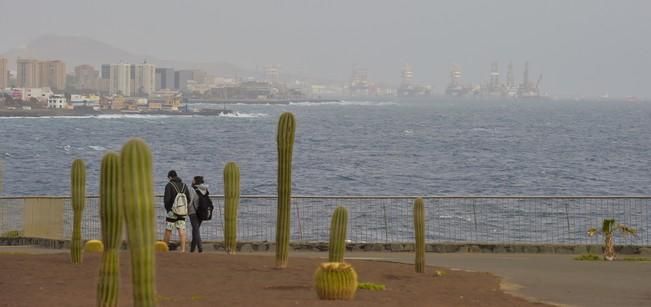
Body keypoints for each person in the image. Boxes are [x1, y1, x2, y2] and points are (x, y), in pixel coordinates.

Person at [163, 170, 191, 252]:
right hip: (182, 212)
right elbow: (188, 199)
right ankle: (182, 250)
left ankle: (165, 249)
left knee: (168, 229)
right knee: (181, 229)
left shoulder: (169, 185)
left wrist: (168, 209)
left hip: (172, 211)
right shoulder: (184, 185)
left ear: (170, 177)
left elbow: (167, 200)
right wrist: (183, 208)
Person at [188, 176, 209, 253]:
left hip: (193, 212)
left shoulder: (192, 189)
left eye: (193, 180)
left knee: (196, 230)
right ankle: (192, 249)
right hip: (202, 212)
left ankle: (200, 249)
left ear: (195, 181)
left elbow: (190, 201)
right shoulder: (205, 189)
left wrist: (186, 209)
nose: (192, 181)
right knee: (195, 230)